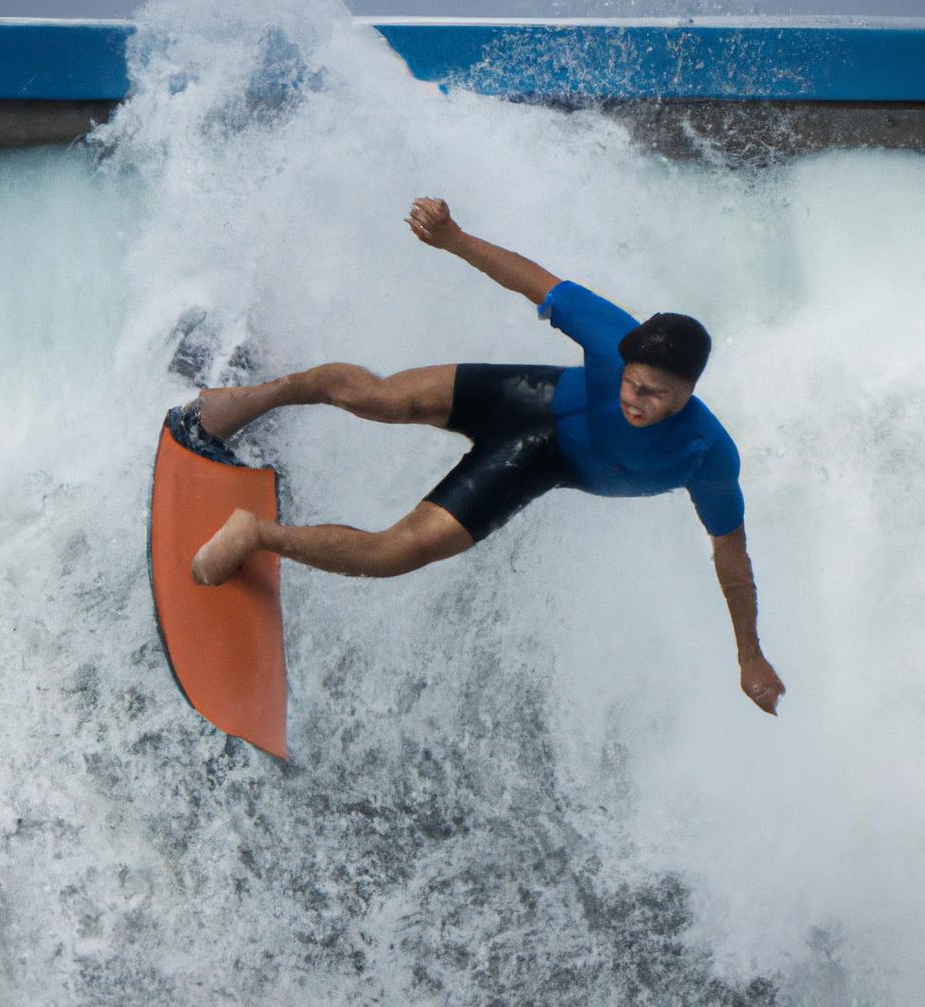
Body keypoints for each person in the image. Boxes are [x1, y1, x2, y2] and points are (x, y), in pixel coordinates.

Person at [187, 197, 785, 715]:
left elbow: (731, 556)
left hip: (541, 460)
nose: (635, 398)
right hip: (525, 397)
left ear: (689, 393)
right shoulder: (612, 335)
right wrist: (454, 239)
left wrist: (749, 653)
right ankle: (254, 398)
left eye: (654, 395)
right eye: (631, 383)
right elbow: (534, 280)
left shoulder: (707, 455)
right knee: (376, 396)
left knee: (396, 552)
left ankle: (256, 535)